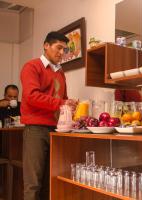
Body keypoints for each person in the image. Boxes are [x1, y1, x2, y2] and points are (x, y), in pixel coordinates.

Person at [20, 31, 77, 200]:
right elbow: (31, 96)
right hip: (36, 130)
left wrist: (69, 104)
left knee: (50, 181)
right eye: (59, 48)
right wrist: (61, 104)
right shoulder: (32, 66)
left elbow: (62, 99)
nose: (61, 53)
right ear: (46, 45)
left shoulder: (60, 72)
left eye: (64, 50)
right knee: (33, 183)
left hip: (56, 130)